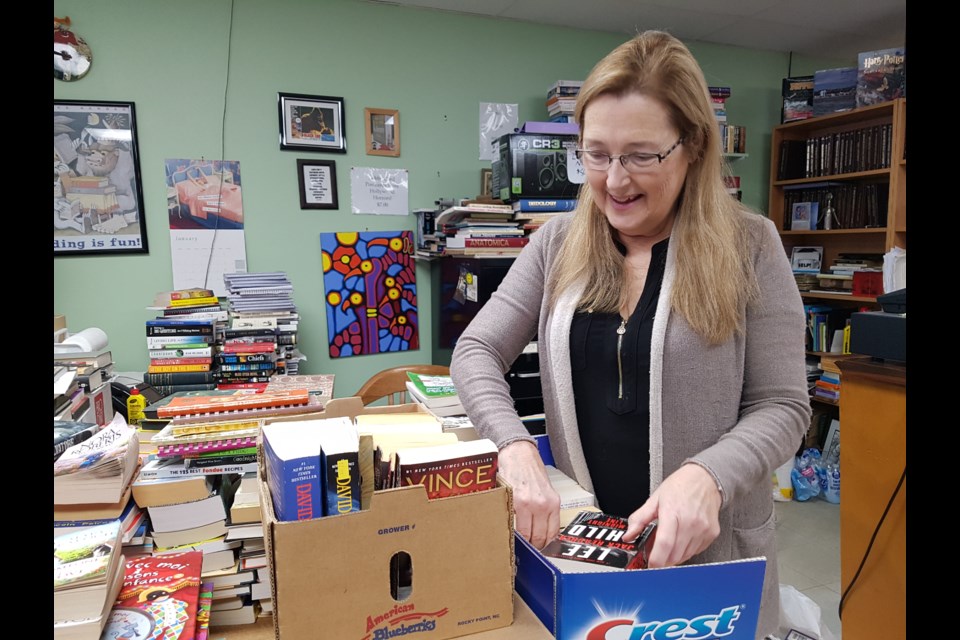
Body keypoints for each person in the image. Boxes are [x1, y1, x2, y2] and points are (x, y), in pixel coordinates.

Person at [450, 30, 811, 638]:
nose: (614, 180)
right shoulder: (557, 243)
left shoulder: (752, 247)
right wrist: (513, 448)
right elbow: (477, 349)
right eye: (595, 154)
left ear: (692, 145)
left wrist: (709, 476)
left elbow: (783, 405)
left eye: (641, 155)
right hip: (586, 551)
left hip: (708, 559)